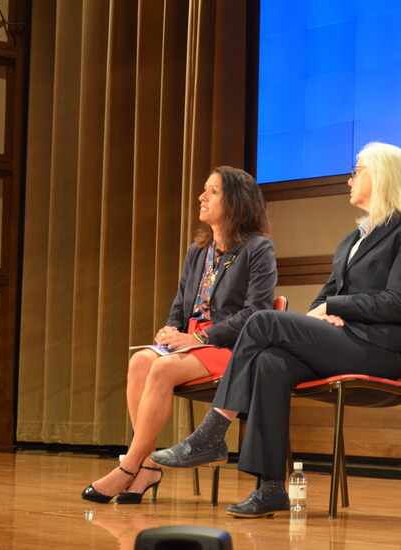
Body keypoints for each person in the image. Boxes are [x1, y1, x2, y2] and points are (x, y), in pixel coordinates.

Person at [151, 142, 401, 518]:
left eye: (358, 170)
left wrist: (334, 308)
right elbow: (326, 295)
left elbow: (398, 302)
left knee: (263, 320)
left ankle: (213, 431)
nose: (350, 179)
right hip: (343, 342)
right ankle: (270, 487)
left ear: (382, 176)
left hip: (377, 352)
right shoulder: (351, 240)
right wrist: (324, 310)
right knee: (271, 362)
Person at [82, 166, 277, 504]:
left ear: (236, 201)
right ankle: (147, 467)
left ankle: (129, 466)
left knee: (162, 368)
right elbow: (181, 303)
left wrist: (202, 338)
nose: (201, 197)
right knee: (141, 361)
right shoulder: (197, 251)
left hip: (229, 347)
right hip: (190, 343)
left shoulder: (258, 249)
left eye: (212, 191)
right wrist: (169, 330)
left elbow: (257, 312)